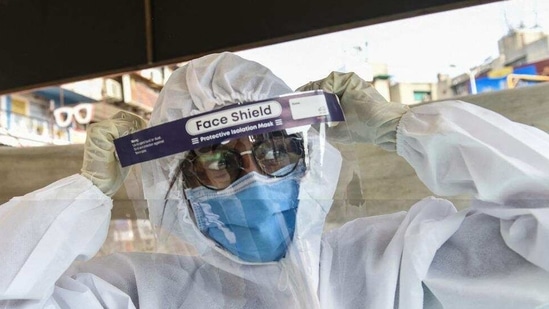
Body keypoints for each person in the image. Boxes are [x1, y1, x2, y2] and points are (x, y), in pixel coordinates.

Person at [1, 51, 548, 309]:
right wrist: (84, 196)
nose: (253, 182)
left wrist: (410, 131)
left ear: (309, 159)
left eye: (271, 151)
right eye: (215, 162)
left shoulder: (398, 263)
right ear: (175, 189)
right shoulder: (140, 295)